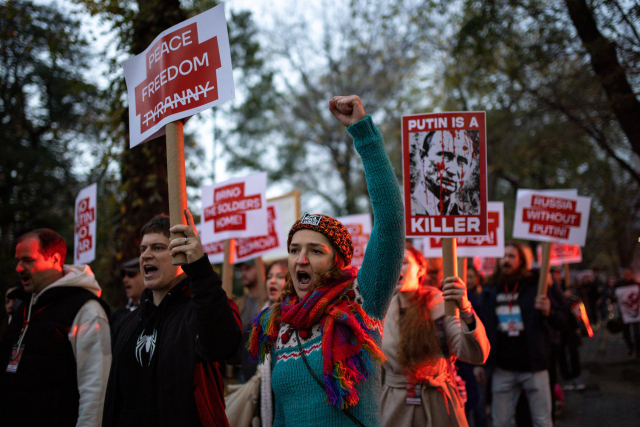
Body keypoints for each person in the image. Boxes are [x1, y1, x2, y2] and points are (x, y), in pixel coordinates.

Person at [247, 95, 404, 427]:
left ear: (338, 260)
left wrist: (364, 134)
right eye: (294, 250)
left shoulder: (364, 300)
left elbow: (390, 220)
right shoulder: (279, 325)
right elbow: (281, 417)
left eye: (315, 251)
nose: (301, 259)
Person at [102, 213, 242, 427]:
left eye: (158, 248)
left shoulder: (202, 309)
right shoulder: (127, 324)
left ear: (180, 253)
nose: (146, 255)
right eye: (143, 249)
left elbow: (224, 347)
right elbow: (114, 399)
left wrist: (201, 272)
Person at [0, 228, 111, 426]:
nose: (18, 267)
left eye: (28, 260)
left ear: (55, 259)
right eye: (18, 260)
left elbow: (95, 388)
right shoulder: (22, 309)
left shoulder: (86, 310)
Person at [380, 243, 490, 427]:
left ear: (420, 268)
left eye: (404, 262)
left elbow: (475, 354)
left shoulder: (440, 304)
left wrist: (465, 309)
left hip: (437, 403)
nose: (396, 268)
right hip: (395, 407)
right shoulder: (379, 311)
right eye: (391, 263)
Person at [479, 241, 565, 427]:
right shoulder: (490, 290)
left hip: (533, 367)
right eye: (503, 257)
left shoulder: (536, 286)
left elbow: (563, 321)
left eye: (511, 256)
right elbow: (483, 328)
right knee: (500, 422)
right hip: (502, 369)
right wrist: (481, 363)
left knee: (542, 421)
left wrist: (549, 312)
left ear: (521, 261)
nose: (506, 261)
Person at [410, 129, 480, 216]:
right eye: (445, 156)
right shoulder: (404, 211)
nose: (452, 170)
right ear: (423, 156)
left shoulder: (465, 217)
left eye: (462, 161)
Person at [110, 257, 146, 330]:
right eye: (123, 275)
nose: (125, 280)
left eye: (131, 274)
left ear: (145, 275)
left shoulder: (154, 313)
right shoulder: (117, 316)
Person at [613, 267, 640, 359]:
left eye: (629, 274)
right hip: (624, 313)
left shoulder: (636, 284)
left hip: (636, 313)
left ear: (632, 275)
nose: (627, 276)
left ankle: (638, 350)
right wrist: (614, 297)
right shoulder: (618, 285)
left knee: (637, 333)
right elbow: (612, 295)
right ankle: (631, 347)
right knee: (626, 333)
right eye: (625, 274)